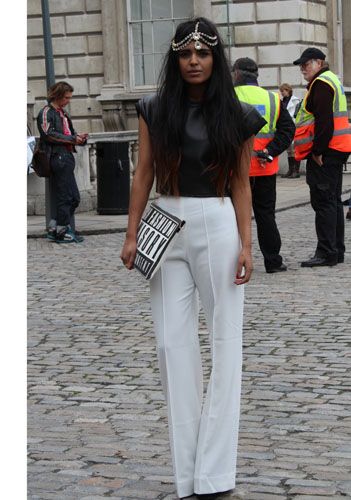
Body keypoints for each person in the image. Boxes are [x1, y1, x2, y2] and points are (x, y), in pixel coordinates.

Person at [120, 18, 266, 500]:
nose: (195, 61)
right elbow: (142, 173)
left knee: (226, 345)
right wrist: (131, 232)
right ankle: (188, 478)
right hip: (166, 221)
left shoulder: (238, 114)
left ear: (216, 58)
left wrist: (247, 244)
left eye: (203, 53)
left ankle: (215, 475)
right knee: (171, 347)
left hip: (219, 221)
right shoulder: (154, 108)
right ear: (175, 59)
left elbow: (243, 182)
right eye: (186, 53)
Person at [232, 58, 295, 273]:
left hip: (235, 170)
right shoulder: (272, 99)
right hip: (264, 168)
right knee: (266, 215)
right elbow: (288, 131)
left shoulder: (228, 97)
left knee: (233, 217)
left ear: (236, 74)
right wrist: (271, 151)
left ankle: (233, 260)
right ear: (256, 76)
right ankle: (273, 261)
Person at [293, 47, 351, 267]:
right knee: (333, 201)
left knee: (324, 201)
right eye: (301, 66)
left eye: (306, 65)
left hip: (326, 152)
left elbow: (324, 121)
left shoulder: (322, 84)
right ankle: (336, 251)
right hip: (337, 148)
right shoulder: (331, 80)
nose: (303, 69)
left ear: (318, 63)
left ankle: (326, 252)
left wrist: (317, 151)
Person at [37, 81, 88, 243]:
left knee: (74, 197)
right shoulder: (46, 112)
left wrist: (79, 138)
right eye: (66, 97)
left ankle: (55, 227)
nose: (68, 100)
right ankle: (62, 230)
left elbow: (68, 134)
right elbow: (47, 134)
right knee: (65, 196)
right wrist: (73, 138)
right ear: (57, 95)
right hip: (57, 157)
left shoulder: (63, 114)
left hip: (66, 156)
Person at [279, 83, 301, 178]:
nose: (282, 93)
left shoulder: (295, 101)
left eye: (283, 91)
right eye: (281, 91)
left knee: (295, 149)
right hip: (286, 128)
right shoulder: (282, 101)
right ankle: (290, 170)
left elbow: (298, 114)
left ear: (288, 90)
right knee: (289, 150)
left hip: (294, 126)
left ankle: (296, 171)